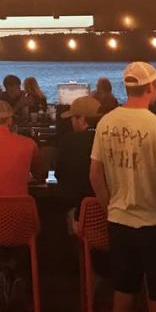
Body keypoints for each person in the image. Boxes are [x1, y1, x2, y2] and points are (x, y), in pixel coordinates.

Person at [89, 62, 156, 312]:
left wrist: (111, 208)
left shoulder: (106, 122)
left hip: (119, 223)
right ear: (152, 87)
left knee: (122, 295)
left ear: (126, 87)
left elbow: (95, 176)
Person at [54, 96, 102, 231]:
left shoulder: (69, 141)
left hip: (81, 213)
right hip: (110, 214)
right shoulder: (109, 138)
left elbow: (59, 175)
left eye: (72, 118)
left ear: (82, 119)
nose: (71, 122)